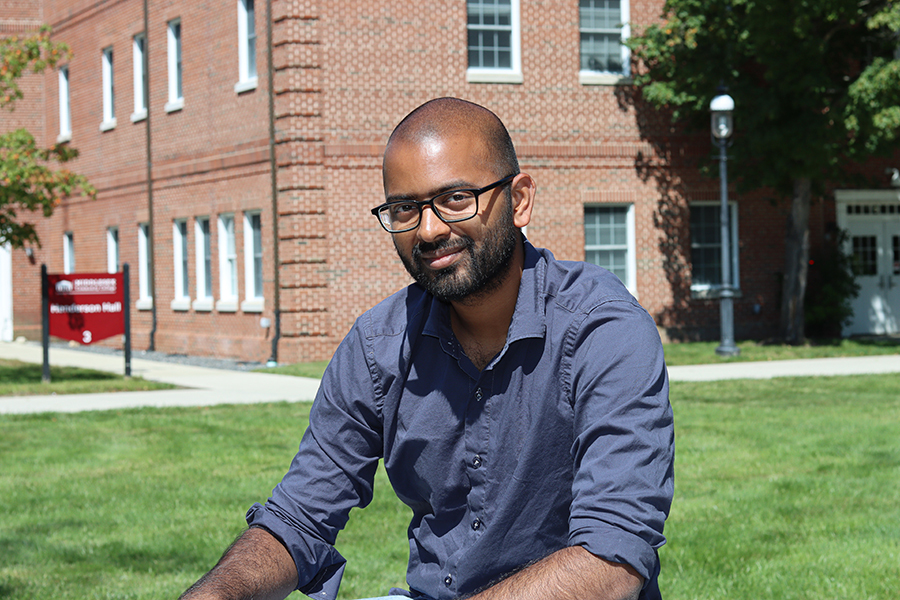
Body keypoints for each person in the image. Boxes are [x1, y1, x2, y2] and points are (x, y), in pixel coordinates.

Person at [180, 98, 674, 600]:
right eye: (404, 209)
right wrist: (220, 592)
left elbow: (612, 559)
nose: (429, 229)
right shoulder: (378, 347)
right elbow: (300, 517)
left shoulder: (603, 330)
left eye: (456, 198)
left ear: (520, 200)